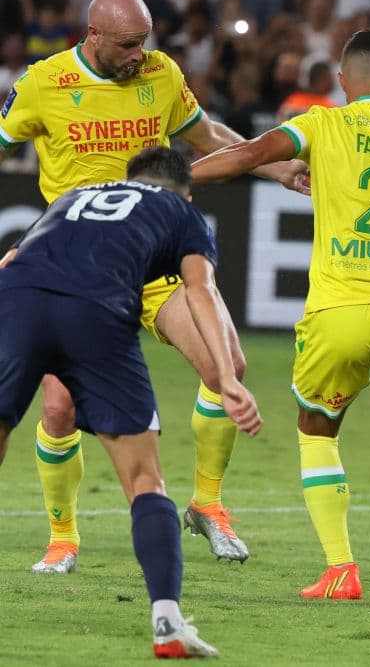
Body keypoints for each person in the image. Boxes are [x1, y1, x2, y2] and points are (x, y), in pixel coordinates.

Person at [0, 0, 307, 573]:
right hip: (77, 265)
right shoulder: (44, 83)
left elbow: (208, 138)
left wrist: (273, 167)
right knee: (60, 410)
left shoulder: (161, 74)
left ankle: (208, 506)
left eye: (145, 43)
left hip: (154, 258)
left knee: (228, 368)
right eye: (127, 45)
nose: (140, 54)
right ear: (93, 36)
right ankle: (63, 538)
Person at [190, 28, 370, 600]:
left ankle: (341, 569)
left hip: (336, 310)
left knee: (317, 430)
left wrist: (177, 177)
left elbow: (250, 154)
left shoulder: (322, 123)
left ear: (343, 81)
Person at [0, 146, 262, 658]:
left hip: (19, 298)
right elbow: (201, 290)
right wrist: (227, 377)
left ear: (131, 177)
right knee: (145, 480)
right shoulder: (182, 212)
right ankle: (167, 621)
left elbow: (12, 258)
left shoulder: (77, 195)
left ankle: (65, 541)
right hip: (96, 313)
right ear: (185, 190)